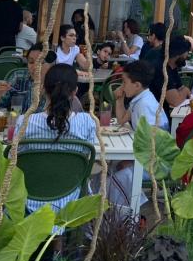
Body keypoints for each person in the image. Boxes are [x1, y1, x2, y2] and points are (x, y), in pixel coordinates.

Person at [14, 64, 97, 231]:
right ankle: (60, 247)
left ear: (44, 90)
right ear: (75, 92)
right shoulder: (87, 122)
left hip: (27, 199)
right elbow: (85, 158)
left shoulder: (24, 122)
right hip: (70, 197)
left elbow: (16, 159)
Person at [110, 60, 168, 208]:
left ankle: (130, 213)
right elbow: (122, 119)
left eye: (124, 82)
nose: (122, 86)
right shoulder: (140, 98)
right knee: (110, 167)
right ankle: (115, 210)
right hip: (147, 156)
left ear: (136, 85)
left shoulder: (145, 105)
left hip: (156, 163)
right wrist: (119, 99)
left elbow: (154, 142)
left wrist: (131, 161)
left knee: (117, 176)